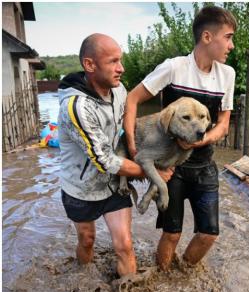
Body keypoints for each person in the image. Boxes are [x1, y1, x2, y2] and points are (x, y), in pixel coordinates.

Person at [124, 6, 236, 271]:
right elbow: (132, 99)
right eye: (228, 37)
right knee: (172, 234)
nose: (231, 45)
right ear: (207, 37)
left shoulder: (227, 75)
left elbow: (223, 125)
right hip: (171, 167)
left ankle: (183, 275)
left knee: (209, 234)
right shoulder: (174, 68)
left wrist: (202, 140)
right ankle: (163, 278)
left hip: (205, 166)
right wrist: (131, 148)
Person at [58, 34, 173, 277]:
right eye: (113, 62)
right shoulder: (76, 107)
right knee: (87, 240)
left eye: (120, 60)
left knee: (124, 245)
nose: (121, 68)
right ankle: (83, 280)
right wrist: (153, 173)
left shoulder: (119, 89)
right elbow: (104, 161)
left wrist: (158, 150)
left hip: (113, 185)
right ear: (89, 65)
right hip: (81, 188)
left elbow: (131, 125)